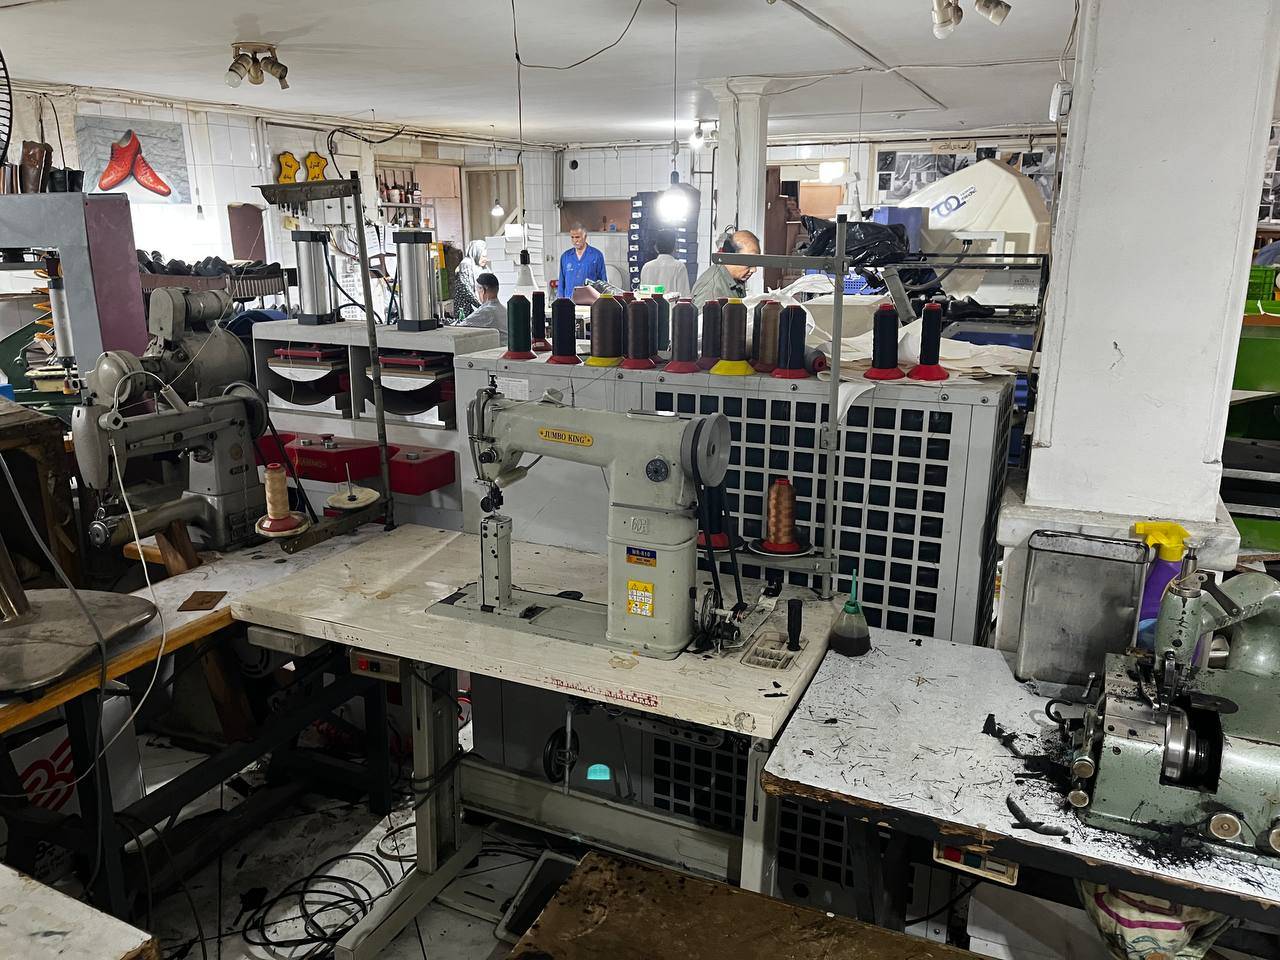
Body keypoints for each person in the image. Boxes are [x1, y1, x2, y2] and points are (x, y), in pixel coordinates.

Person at [690, 230, 760, 309]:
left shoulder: (736, 280)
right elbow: (700, 316)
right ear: (731, 257)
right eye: (749, 262)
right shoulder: (711, 289)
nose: (754, 270)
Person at [557, 224, 606, 298]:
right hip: (570, 300)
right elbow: (561, 282)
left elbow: (603, 282)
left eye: (577, 237)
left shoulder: (596, 255)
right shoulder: (565, 257)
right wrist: (560, 300)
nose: (574, 240)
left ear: (585, 237)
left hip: (590, 300)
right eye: (572, 237)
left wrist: (603, 301)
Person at [457, 272, 506, 344]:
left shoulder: (486, 311)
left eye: (477, 290)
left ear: (483, 290)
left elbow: (459, 328)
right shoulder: (504, 309)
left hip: (498, 349)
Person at [639, 229, 690, 295]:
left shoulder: (647, 267)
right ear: (675, 247)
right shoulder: (679, 267)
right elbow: (684, 295)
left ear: (656, 247)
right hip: (671, 302)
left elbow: (644, 295)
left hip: (651, 302)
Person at [452, 240, 488, 318]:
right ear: (476, 253)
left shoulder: (481, 267)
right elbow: (465, 288)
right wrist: (480, 305)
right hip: (466, 309)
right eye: (483, 256)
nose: (486, 259)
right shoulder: (466, 264)